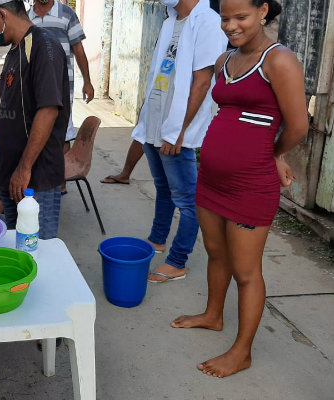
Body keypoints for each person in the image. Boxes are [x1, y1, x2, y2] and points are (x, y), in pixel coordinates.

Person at [170, 0, 308, 378]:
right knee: (216, 253)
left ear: (263, 10)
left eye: (240, 17)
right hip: (212, 179)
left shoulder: (279, 62)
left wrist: (272, 155)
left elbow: (297, 127)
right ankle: (214, 315)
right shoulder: (223, 62)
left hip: (251, 186)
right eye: (225, 18)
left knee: (247, 272)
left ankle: (241, 352)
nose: (231, 26)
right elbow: (232, 115)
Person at [130, 0, 226, 282]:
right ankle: (157, 239)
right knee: (163, 188)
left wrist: (179, 131)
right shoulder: (171, 20)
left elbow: (202, 81)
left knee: (188, 201)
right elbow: (161, 73)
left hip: (176, 131)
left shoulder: (207, 21)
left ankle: (177, 261)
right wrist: (147, 119)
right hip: (155, 125)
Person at [0, 0, 70, 239]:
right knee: (16, 248)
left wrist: (24, 168)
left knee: (37, 250)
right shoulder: (16, 49)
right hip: (12, 175)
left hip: (35, 178)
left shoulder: (43, 47)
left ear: (1, 15)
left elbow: (48, 111)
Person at [29, 0, 94, 194]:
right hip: (34, 85)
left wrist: (87, 81)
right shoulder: (27, 16)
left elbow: (78, 49)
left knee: (61, 131)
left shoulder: (67, 13)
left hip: (62, 84)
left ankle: (60, 181)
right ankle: (39, 176)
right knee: (36, 128)